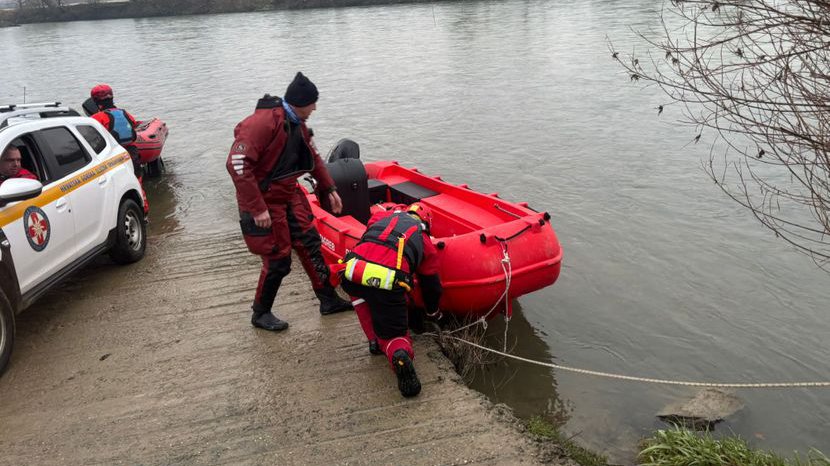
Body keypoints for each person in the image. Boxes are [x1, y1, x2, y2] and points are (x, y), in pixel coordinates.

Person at [226, 71, 353, 332]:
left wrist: (329, 188)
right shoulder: (262, 124)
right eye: (312, 103)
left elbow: (314, 158)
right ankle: (260, 313)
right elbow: (237, 164)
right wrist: (257, 208)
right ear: (299, 102)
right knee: (278, 260)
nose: (315, 108)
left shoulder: (298, 125)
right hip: (264, 199)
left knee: (310, 243)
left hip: (287, 193)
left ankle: (328, 300)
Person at [339, 202, 443, 397]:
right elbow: (432, 286)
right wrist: (432, 312)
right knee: (396, 335)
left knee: (361, 295)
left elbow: (372, 227)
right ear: (426, 224)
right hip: (388, 283)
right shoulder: (424, 240)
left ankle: (373, 340)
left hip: (353, 271)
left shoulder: (381, 218)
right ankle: (399, 355)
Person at [89, 84, 142, 177]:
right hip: (132, 153)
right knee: (137, 181)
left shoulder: (96, 118)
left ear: (95, 101)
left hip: (113, 156)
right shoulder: (124, 112)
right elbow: (134, 124)